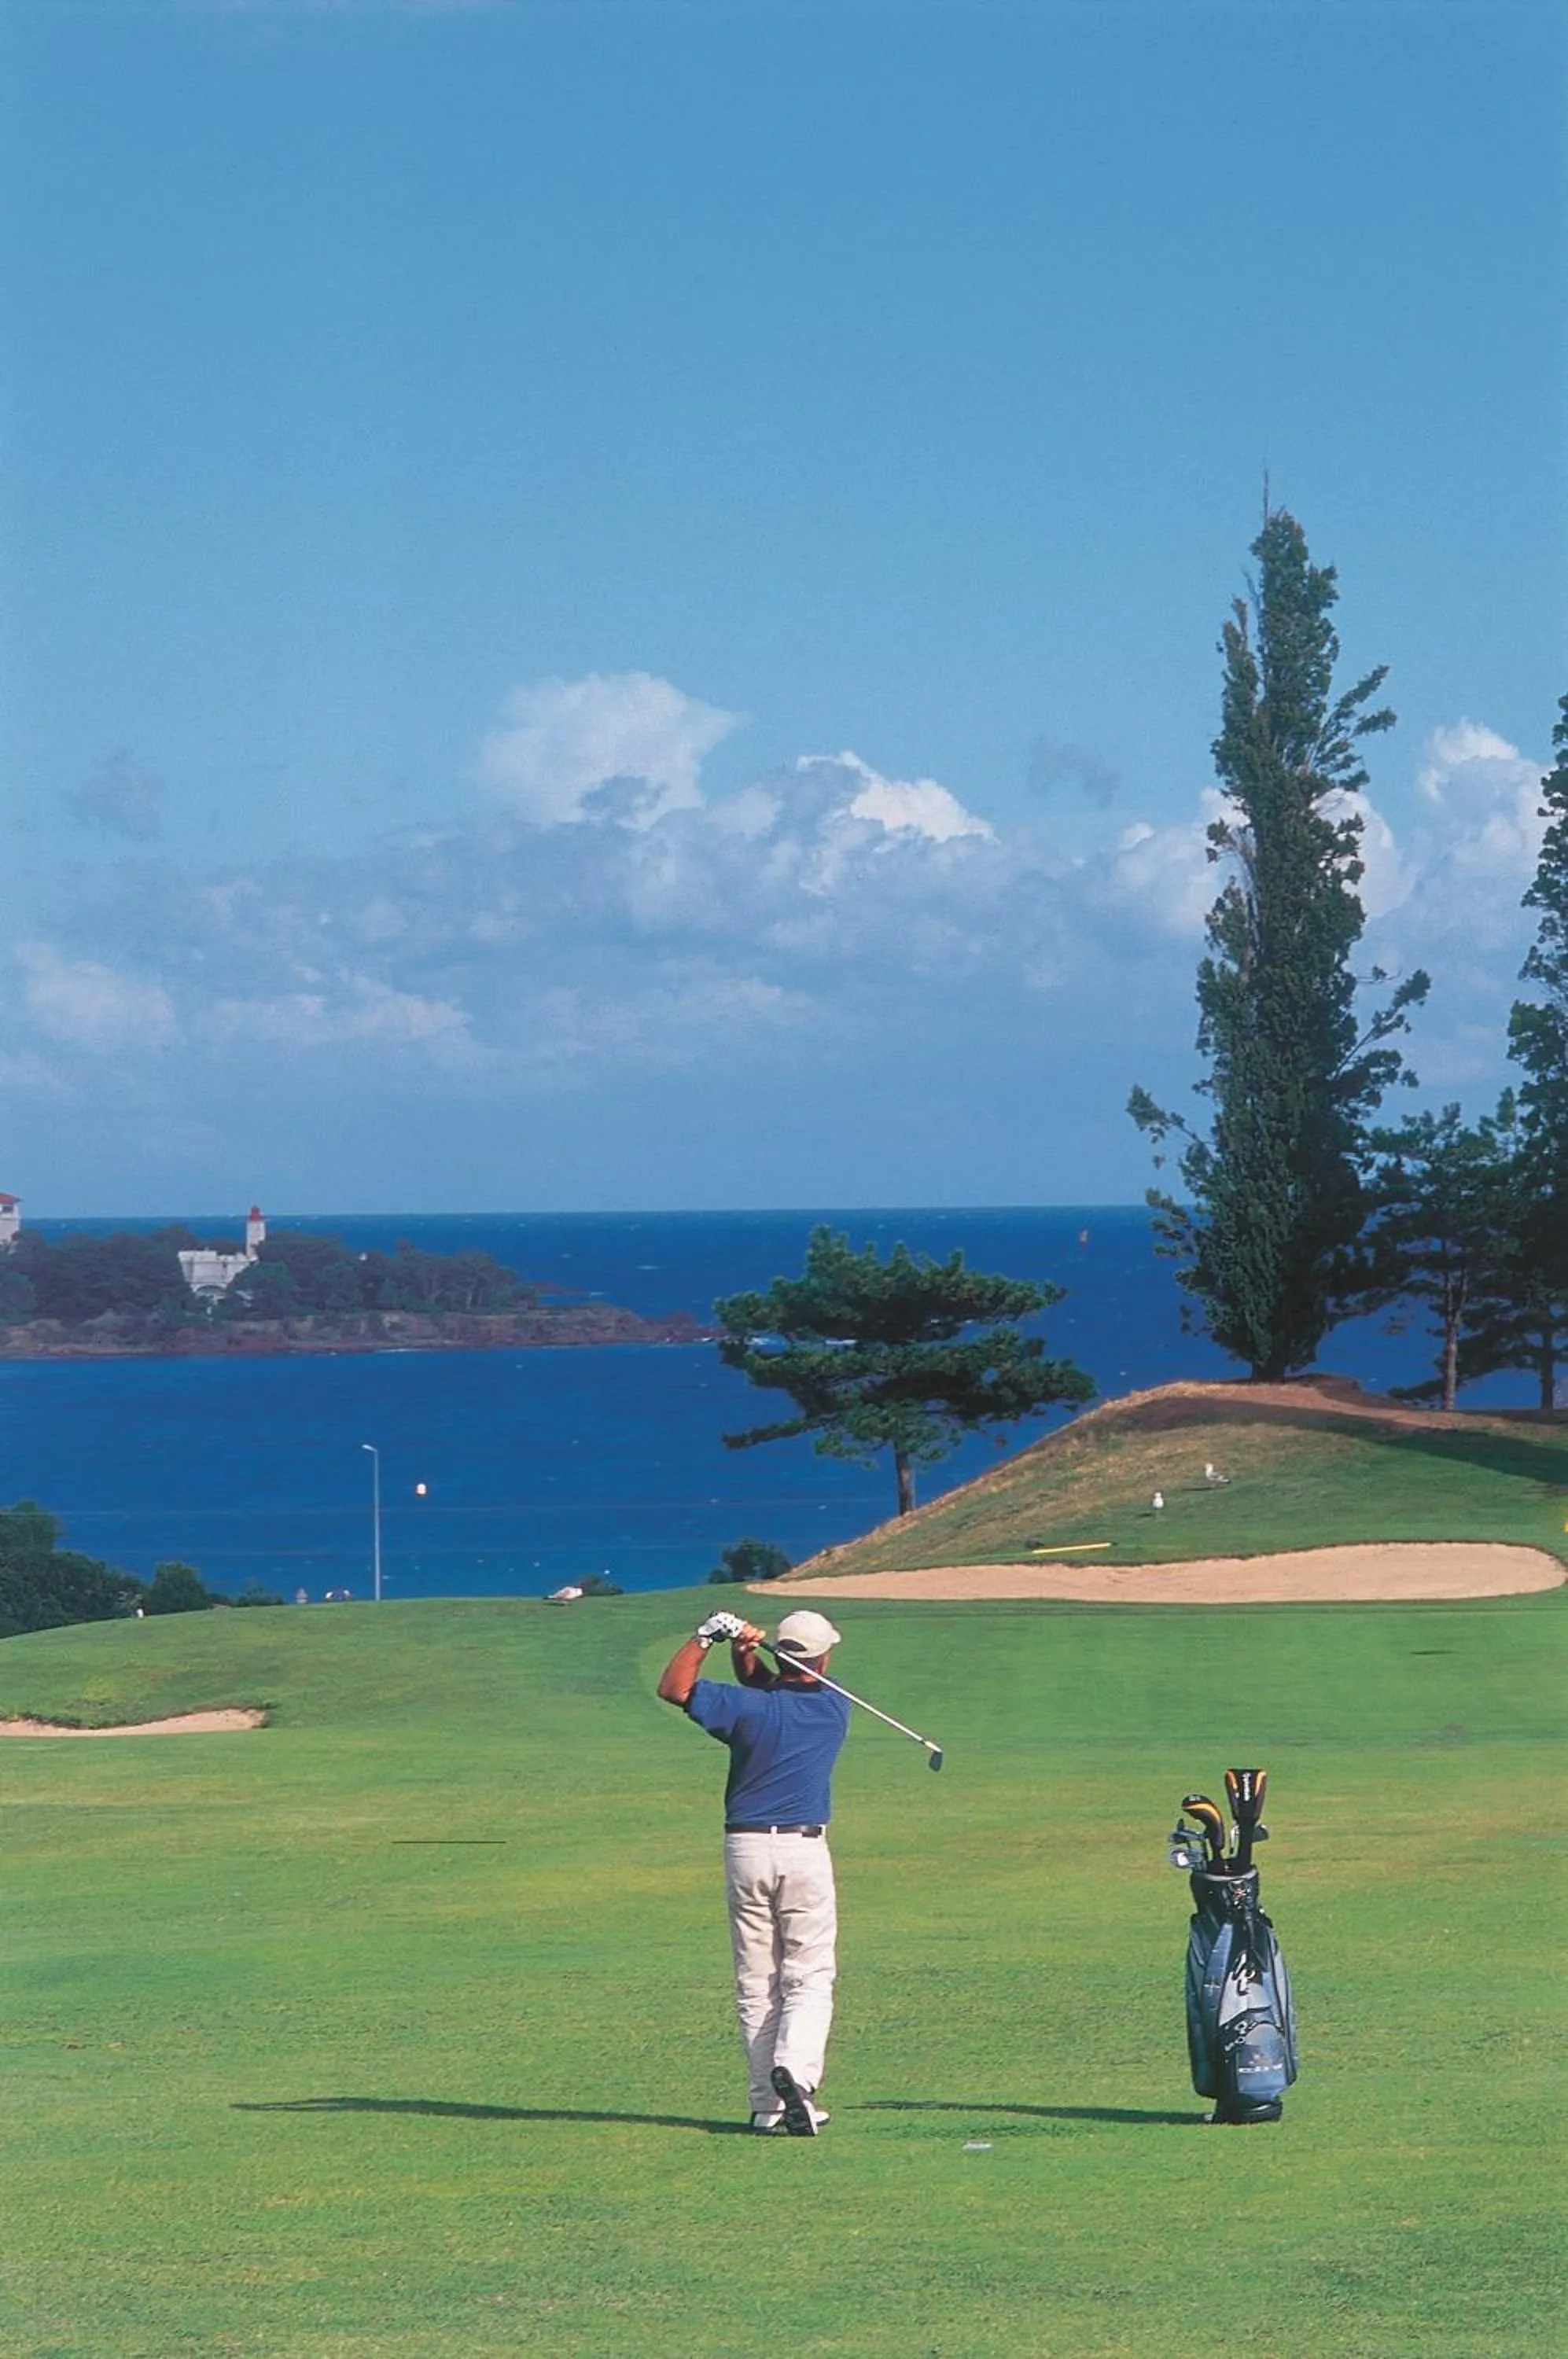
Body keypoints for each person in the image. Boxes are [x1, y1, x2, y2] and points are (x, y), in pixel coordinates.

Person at [657, 1606, 851, 2135]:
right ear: (823, 1659)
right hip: (805, 1850)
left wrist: (708, 1639)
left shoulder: (745, 1710)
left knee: (757, 1977)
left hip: (745, 1850)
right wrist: (746, 1652)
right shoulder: (835, 1709)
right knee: (808, 1973)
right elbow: (777, 1687)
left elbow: (675, 1689)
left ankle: (769, 2104)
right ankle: (797, 2076)